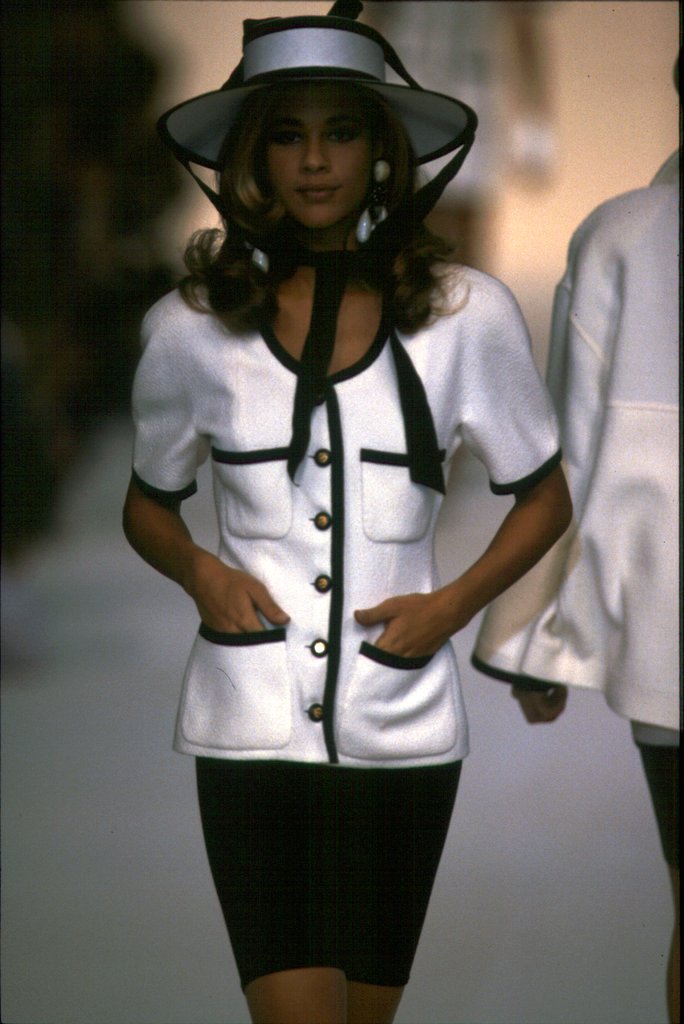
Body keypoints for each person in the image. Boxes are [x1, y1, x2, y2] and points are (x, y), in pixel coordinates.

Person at [122, 6, 572, 1022]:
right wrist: (201, 571)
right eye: (288, 135)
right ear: (253, 156)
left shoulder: (465, 316)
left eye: (342, 132)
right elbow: (148, 507)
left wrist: (452, 605)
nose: (316, 160)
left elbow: (543, 495)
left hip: (401, 729)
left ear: (382, 151)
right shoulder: (189, 329)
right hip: (249, 727)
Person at [472, 127, 679, 1020]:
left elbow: (572, 450)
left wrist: (532, 638)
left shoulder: (622, 235)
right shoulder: (621, 236)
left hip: (672, 635)